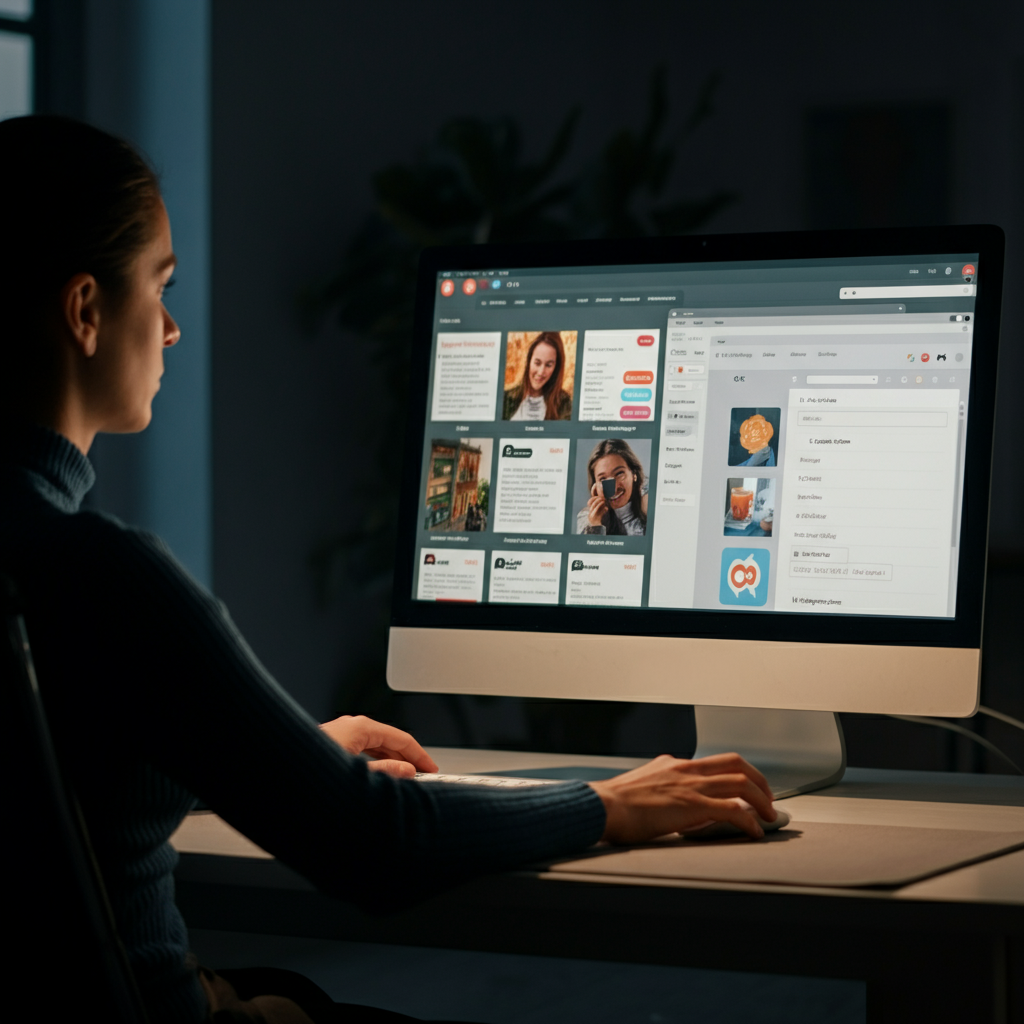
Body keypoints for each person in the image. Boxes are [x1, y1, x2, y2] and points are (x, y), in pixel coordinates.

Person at [0, 116, 775, 1024]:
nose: (170, 329)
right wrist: (610, 803)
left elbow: (77, 763)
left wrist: (287, 761)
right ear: (86, 311)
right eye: (159, 286)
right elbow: (376, 843)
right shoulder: (101, 576)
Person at [576, 439, 648, 536]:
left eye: (619, 474)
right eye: (602, 479)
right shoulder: (586, 519)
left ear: (634, 474)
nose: (614, 489)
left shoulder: (647, 508)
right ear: (595, 486)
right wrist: (595, 525)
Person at [502, 331, 572, 420]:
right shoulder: (506, 399)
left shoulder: (564, 404)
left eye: (548, 365)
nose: (541, 372)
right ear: (529, 362)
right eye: (537, 363)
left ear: (556, 368)